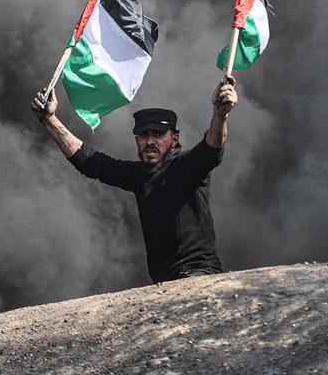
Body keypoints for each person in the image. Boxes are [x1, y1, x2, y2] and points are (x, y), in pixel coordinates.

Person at [31, 77, 238, 283]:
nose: (149, 142)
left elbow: (212, 147)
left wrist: (220, 116)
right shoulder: (139, 176)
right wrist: (50, 120)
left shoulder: (187, 166)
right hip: (164, 284)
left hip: (198, 275)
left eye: (157, 134)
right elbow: (92, 163)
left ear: (174, 139)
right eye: (143, 135)